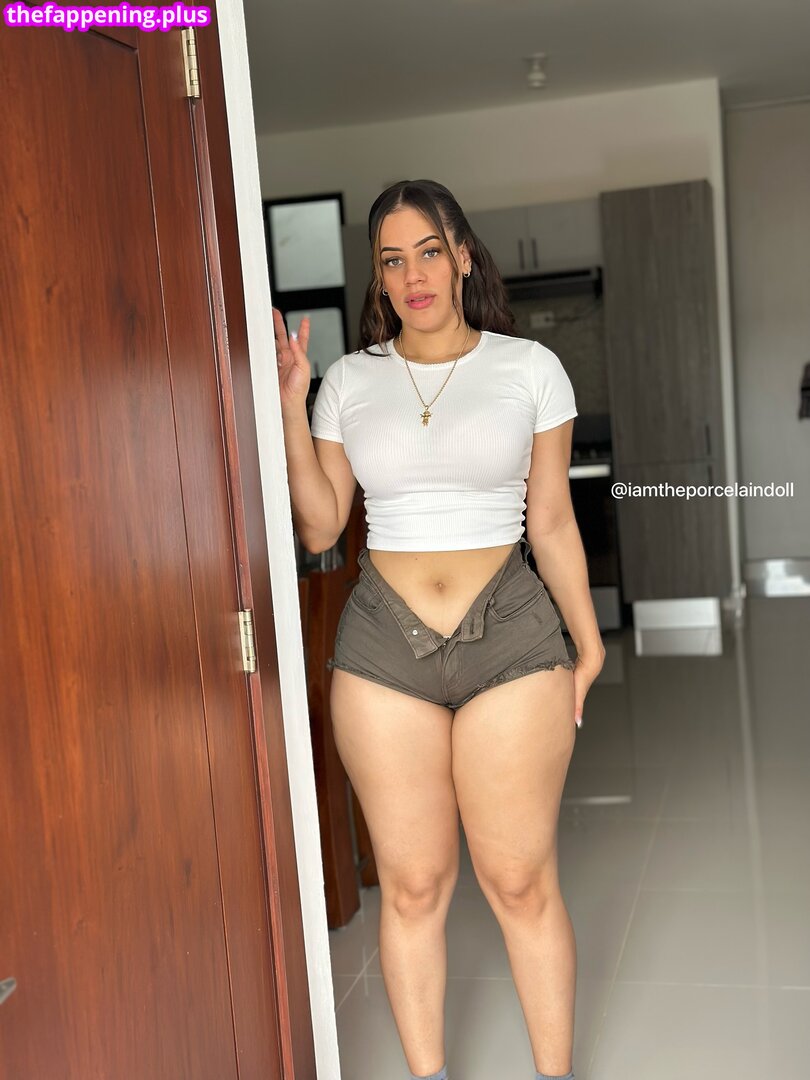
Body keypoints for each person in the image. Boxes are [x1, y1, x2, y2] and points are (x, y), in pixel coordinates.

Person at [274, 178, 605, 1080]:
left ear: (462, 256)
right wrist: (292, 406)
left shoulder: (529, 369)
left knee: (519, 882)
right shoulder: (350, 381)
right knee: (414, 887)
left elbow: (551, 521)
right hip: (383, 648)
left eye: (429, 252)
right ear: (378, 278)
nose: (413, 275)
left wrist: (588, 643)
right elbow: (320, 524)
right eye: (392, 260)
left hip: (511, 636)